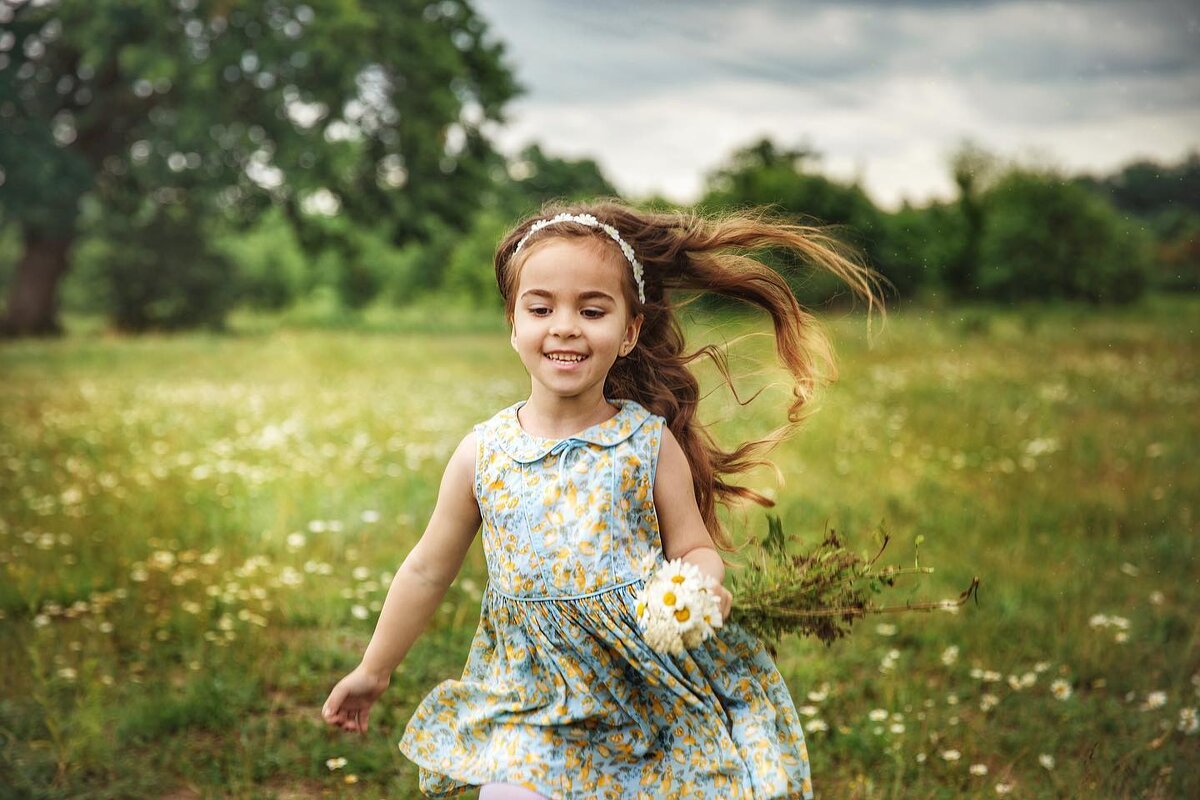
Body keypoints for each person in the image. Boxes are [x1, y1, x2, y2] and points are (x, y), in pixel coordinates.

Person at [321, 201, 887, 799]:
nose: (564, 326)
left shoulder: (646, 444)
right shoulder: (482, 454)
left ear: (629, 331)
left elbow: (693, 546)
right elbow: (427, 569)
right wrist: (373, 669)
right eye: (541, 308)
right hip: (531, 693)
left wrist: (698, 589)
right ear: (513, 325)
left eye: (592, 310)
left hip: (642, 686)